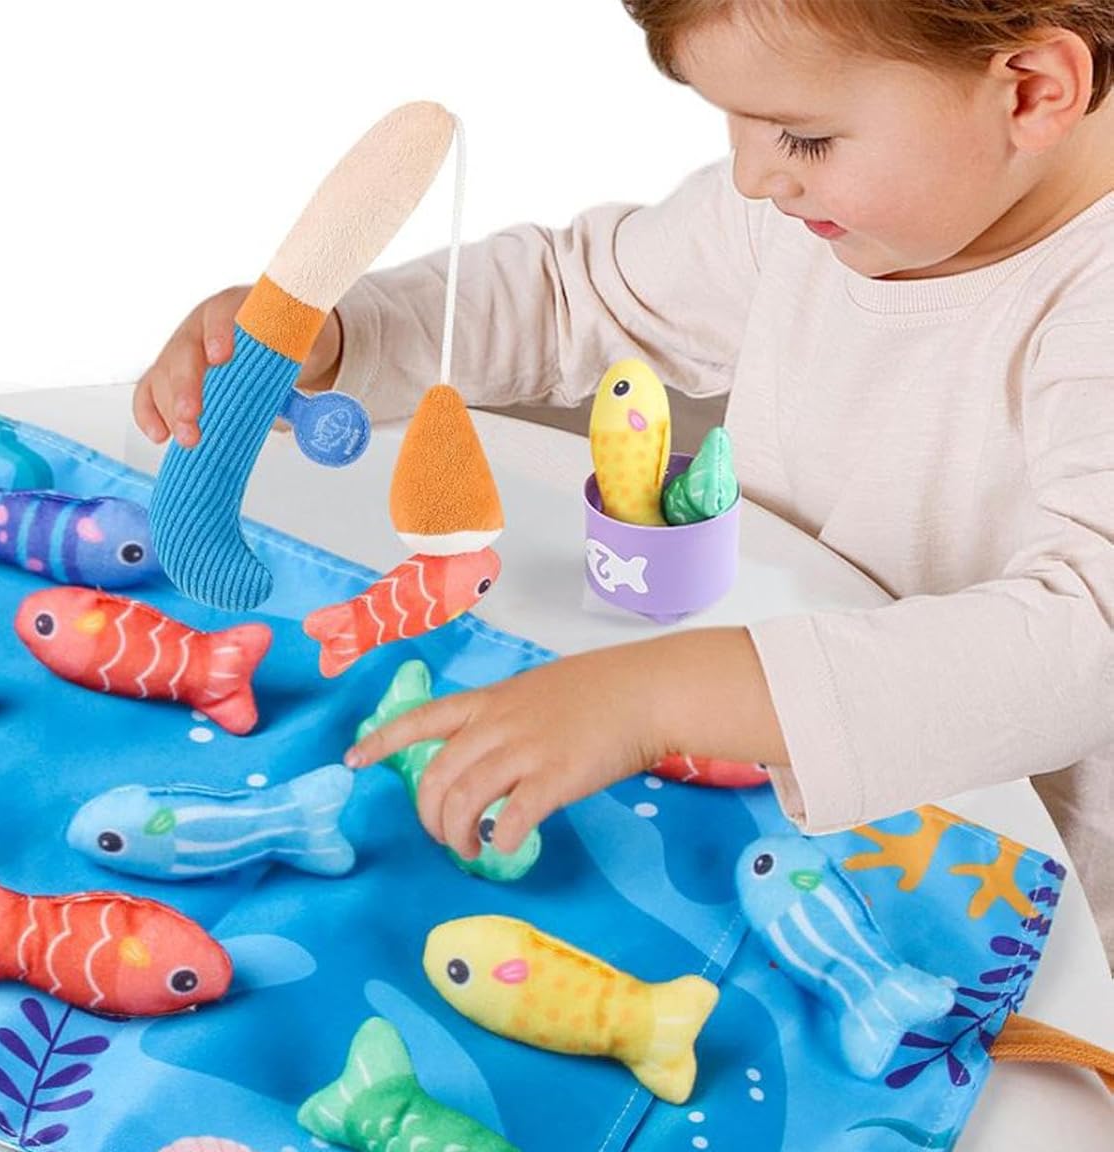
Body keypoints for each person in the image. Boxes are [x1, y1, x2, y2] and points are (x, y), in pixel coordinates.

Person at [135, 0, 1114, 962]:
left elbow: (1085, 643)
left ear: (1032, 91)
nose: (753, 175)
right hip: (791, 780)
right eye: (735, 121)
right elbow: (576, 297)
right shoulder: (813, 212)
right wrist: (351, 336)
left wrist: (652, 698)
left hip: (1029, 893)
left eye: (802, 137)